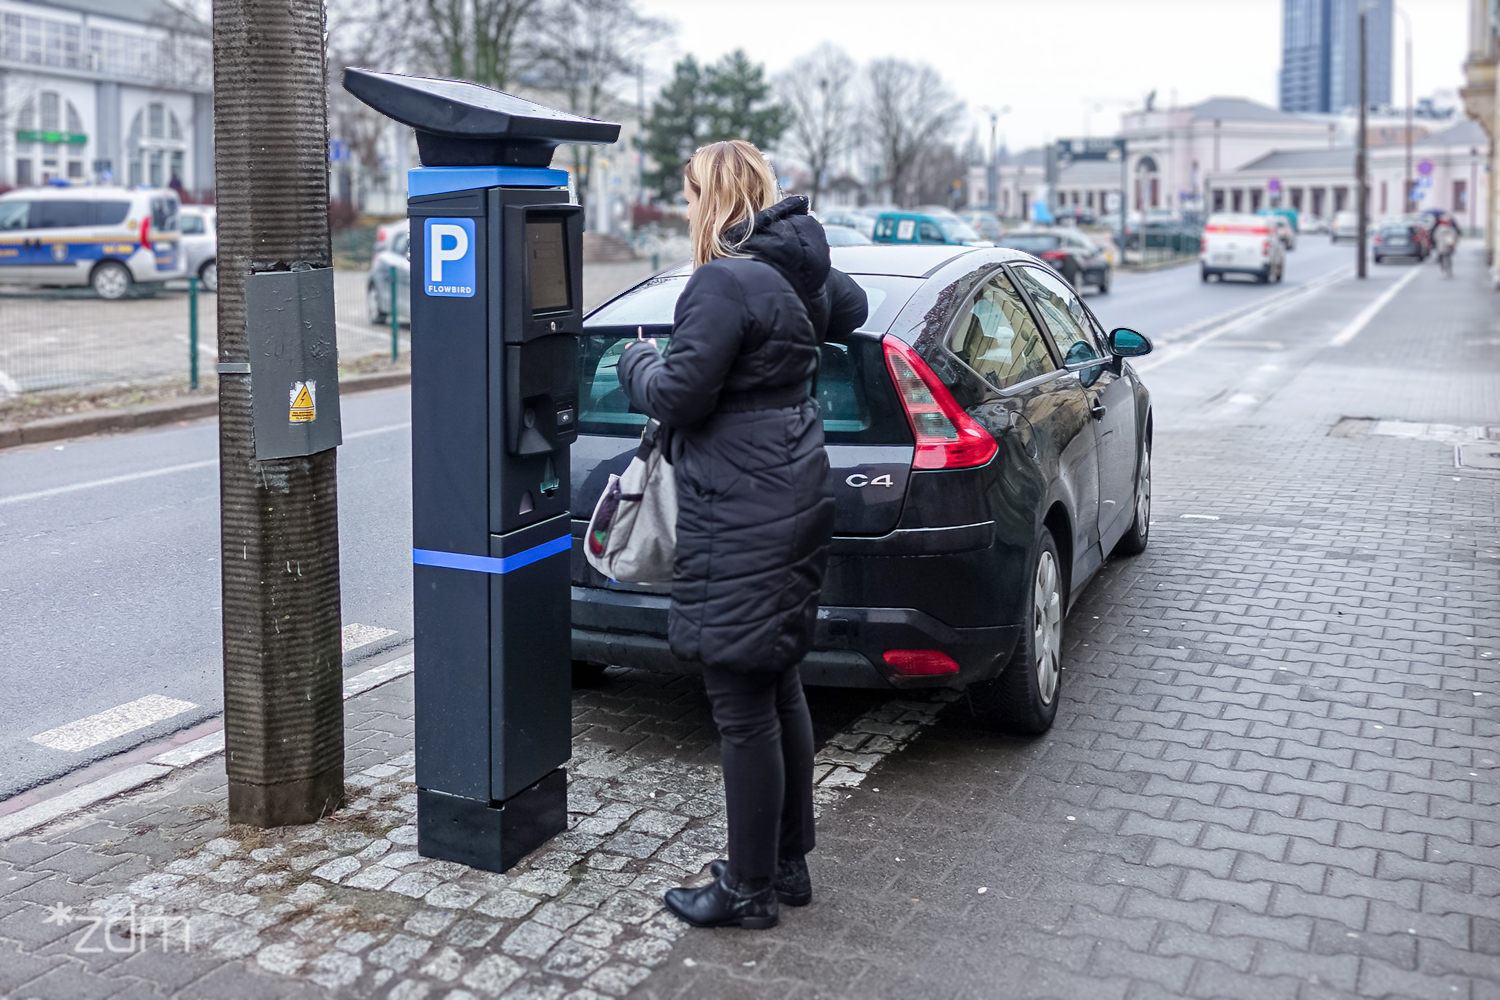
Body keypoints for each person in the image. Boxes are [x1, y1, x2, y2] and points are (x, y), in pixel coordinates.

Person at [617, 140, 867, 930]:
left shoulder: (722, 280)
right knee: (779, 679)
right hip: (791, 490)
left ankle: (748, 888)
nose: (684, 204)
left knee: (739, 700)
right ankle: (787, 865)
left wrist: (635, 362)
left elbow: (681, 397)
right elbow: (852, 308)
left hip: (742, 508)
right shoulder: (793, 273)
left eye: (689, 191)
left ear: (715, 196)